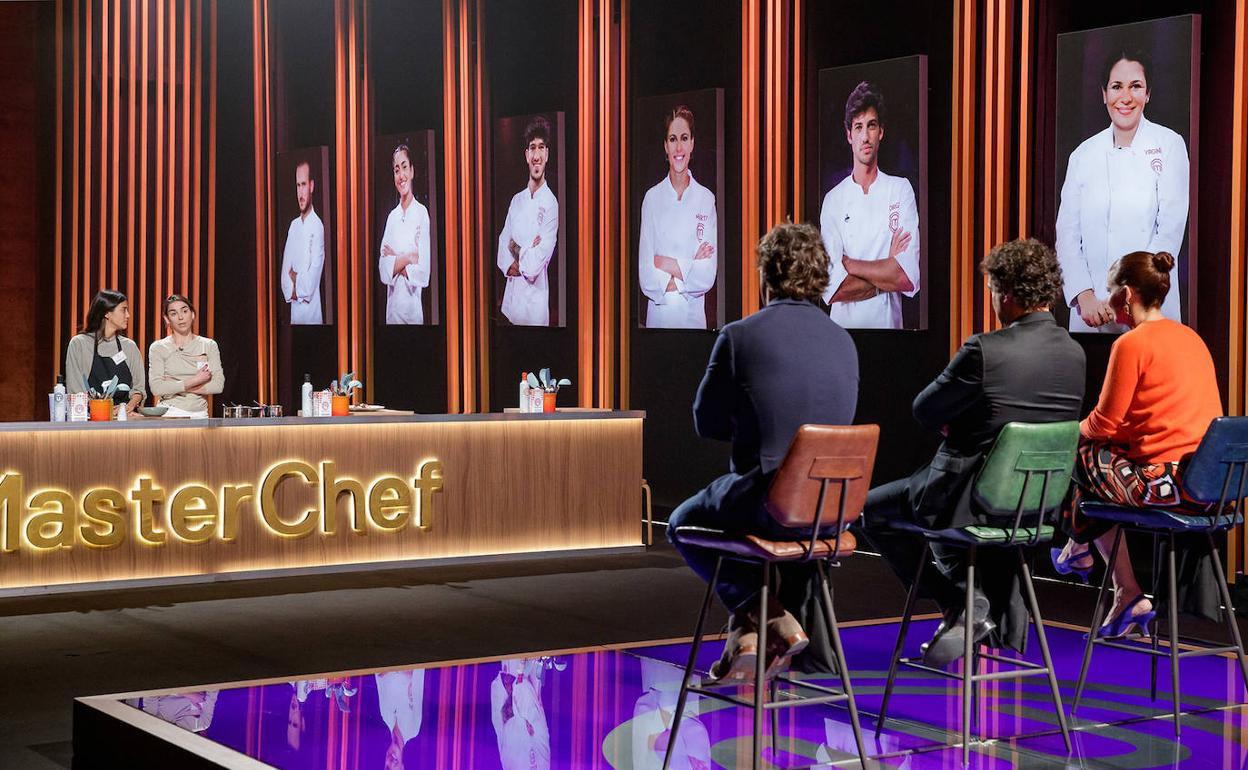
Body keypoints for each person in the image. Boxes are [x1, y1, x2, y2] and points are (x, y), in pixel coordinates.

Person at [860, 239, 1086, 666]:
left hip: (969, 499)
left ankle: (958, 602)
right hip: (1035, 505)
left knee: (872, 510)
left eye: (994, 292)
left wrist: (962, 421)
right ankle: (970, 607)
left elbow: (924, 409)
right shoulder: (1074, 353)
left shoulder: (985, 349)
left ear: (1008, 293)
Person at [667, 222, 859, 681]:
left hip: (770, 504)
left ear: (765, 275)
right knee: (734, 513)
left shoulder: (740, 336)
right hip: (833, 510)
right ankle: (748, 633)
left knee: (681, 524)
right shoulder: (845, 342)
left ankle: (765, 612)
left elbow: (707, 423)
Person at [1051, 251, 1222, 636]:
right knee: (1096, 465)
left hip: (1167, 486)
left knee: (1081, 452)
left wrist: (1066, 432)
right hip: (1211, 487)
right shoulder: (1191, 338)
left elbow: (1103, 423)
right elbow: (1161, 419)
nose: (1107, 299)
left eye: (1109, 290)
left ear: (1126, 294)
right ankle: (1112, 581)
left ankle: (1085, 552)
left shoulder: (1131, 344)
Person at [1056, 49, 1188, 333]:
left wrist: (1130, 293)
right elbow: (1067, 235)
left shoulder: (1170, 145)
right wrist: (1084, 295)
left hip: (1147, 305)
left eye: (1135, 86)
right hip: (1091, 312)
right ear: (1104, 94)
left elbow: (1169, 231)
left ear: (1148, 93)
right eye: (1116, 87)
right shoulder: (1082, 155)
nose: (1126, 97)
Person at [819, 81, 920, 329]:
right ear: (849, 135)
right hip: (843, 337)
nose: (865, 136)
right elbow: (834, 289)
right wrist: (886, 270)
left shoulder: (900, 190)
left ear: (881, 132)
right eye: (858, 127)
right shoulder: (833, 200)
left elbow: (905, 277)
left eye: (871, 126)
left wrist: (850, 264)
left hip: (889, 333)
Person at [638, 105, 718, 329]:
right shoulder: (652, 199)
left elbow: (707, 276)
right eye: (673, 139)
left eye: (684, 138)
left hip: (693, 322)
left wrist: (665, 263)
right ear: (665, 146)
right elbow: (646, 277)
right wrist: (690, 266)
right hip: (658, 323)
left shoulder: (706, 199)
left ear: (692, 143)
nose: (679, 147)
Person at [497, 117, 559, 326]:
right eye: (532, 148)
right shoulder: (516, 200)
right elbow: (501, 247)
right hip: (511, 308)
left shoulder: (551, 204)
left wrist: (514, 247)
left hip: (535, 311)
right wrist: (526, 250)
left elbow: (533, 267)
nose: (536, 155)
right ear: (526, 155)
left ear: (547, 154)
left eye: (541, 147)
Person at [66, 289, 146, 414]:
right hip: (91, 417)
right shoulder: (79, 344)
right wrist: (102, 409)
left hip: (124, 417)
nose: (128, 315)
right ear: (107, 313)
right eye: (123, 310)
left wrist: (127, 407)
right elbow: (75, 390)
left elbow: (139, 389)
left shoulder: (129, 347)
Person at [379, 143, 432, 325]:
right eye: (396, 170)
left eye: (404, 167)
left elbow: (424, 274)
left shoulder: (421, 213)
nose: (401, 175)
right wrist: (409, 257)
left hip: (413, 316)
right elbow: (383, 270)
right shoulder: (392, 217)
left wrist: (395, 261)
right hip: (392, 317)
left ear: (412, 171)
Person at [147, 294, 224, 418]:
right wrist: (196, 380)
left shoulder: (208, 345)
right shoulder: (158, 347)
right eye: (173, 313)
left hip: (200, 414)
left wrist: (174, 386)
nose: (181, 317)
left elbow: (218, 385)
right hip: (170, 412)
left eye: (184, 311)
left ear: (192, 314)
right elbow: (157, 388)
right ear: (167, 319)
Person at [279, 160, 326, 325]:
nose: (300, 192)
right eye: (298, 185)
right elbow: (284, 278)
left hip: (314, 318)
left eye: (304, 184)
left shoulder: (318, 226)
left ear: (311, 186)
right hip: (295, 318)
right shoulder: (293, 226)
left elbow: (311, 283)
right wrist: (296, 284)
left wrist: (295, 277)